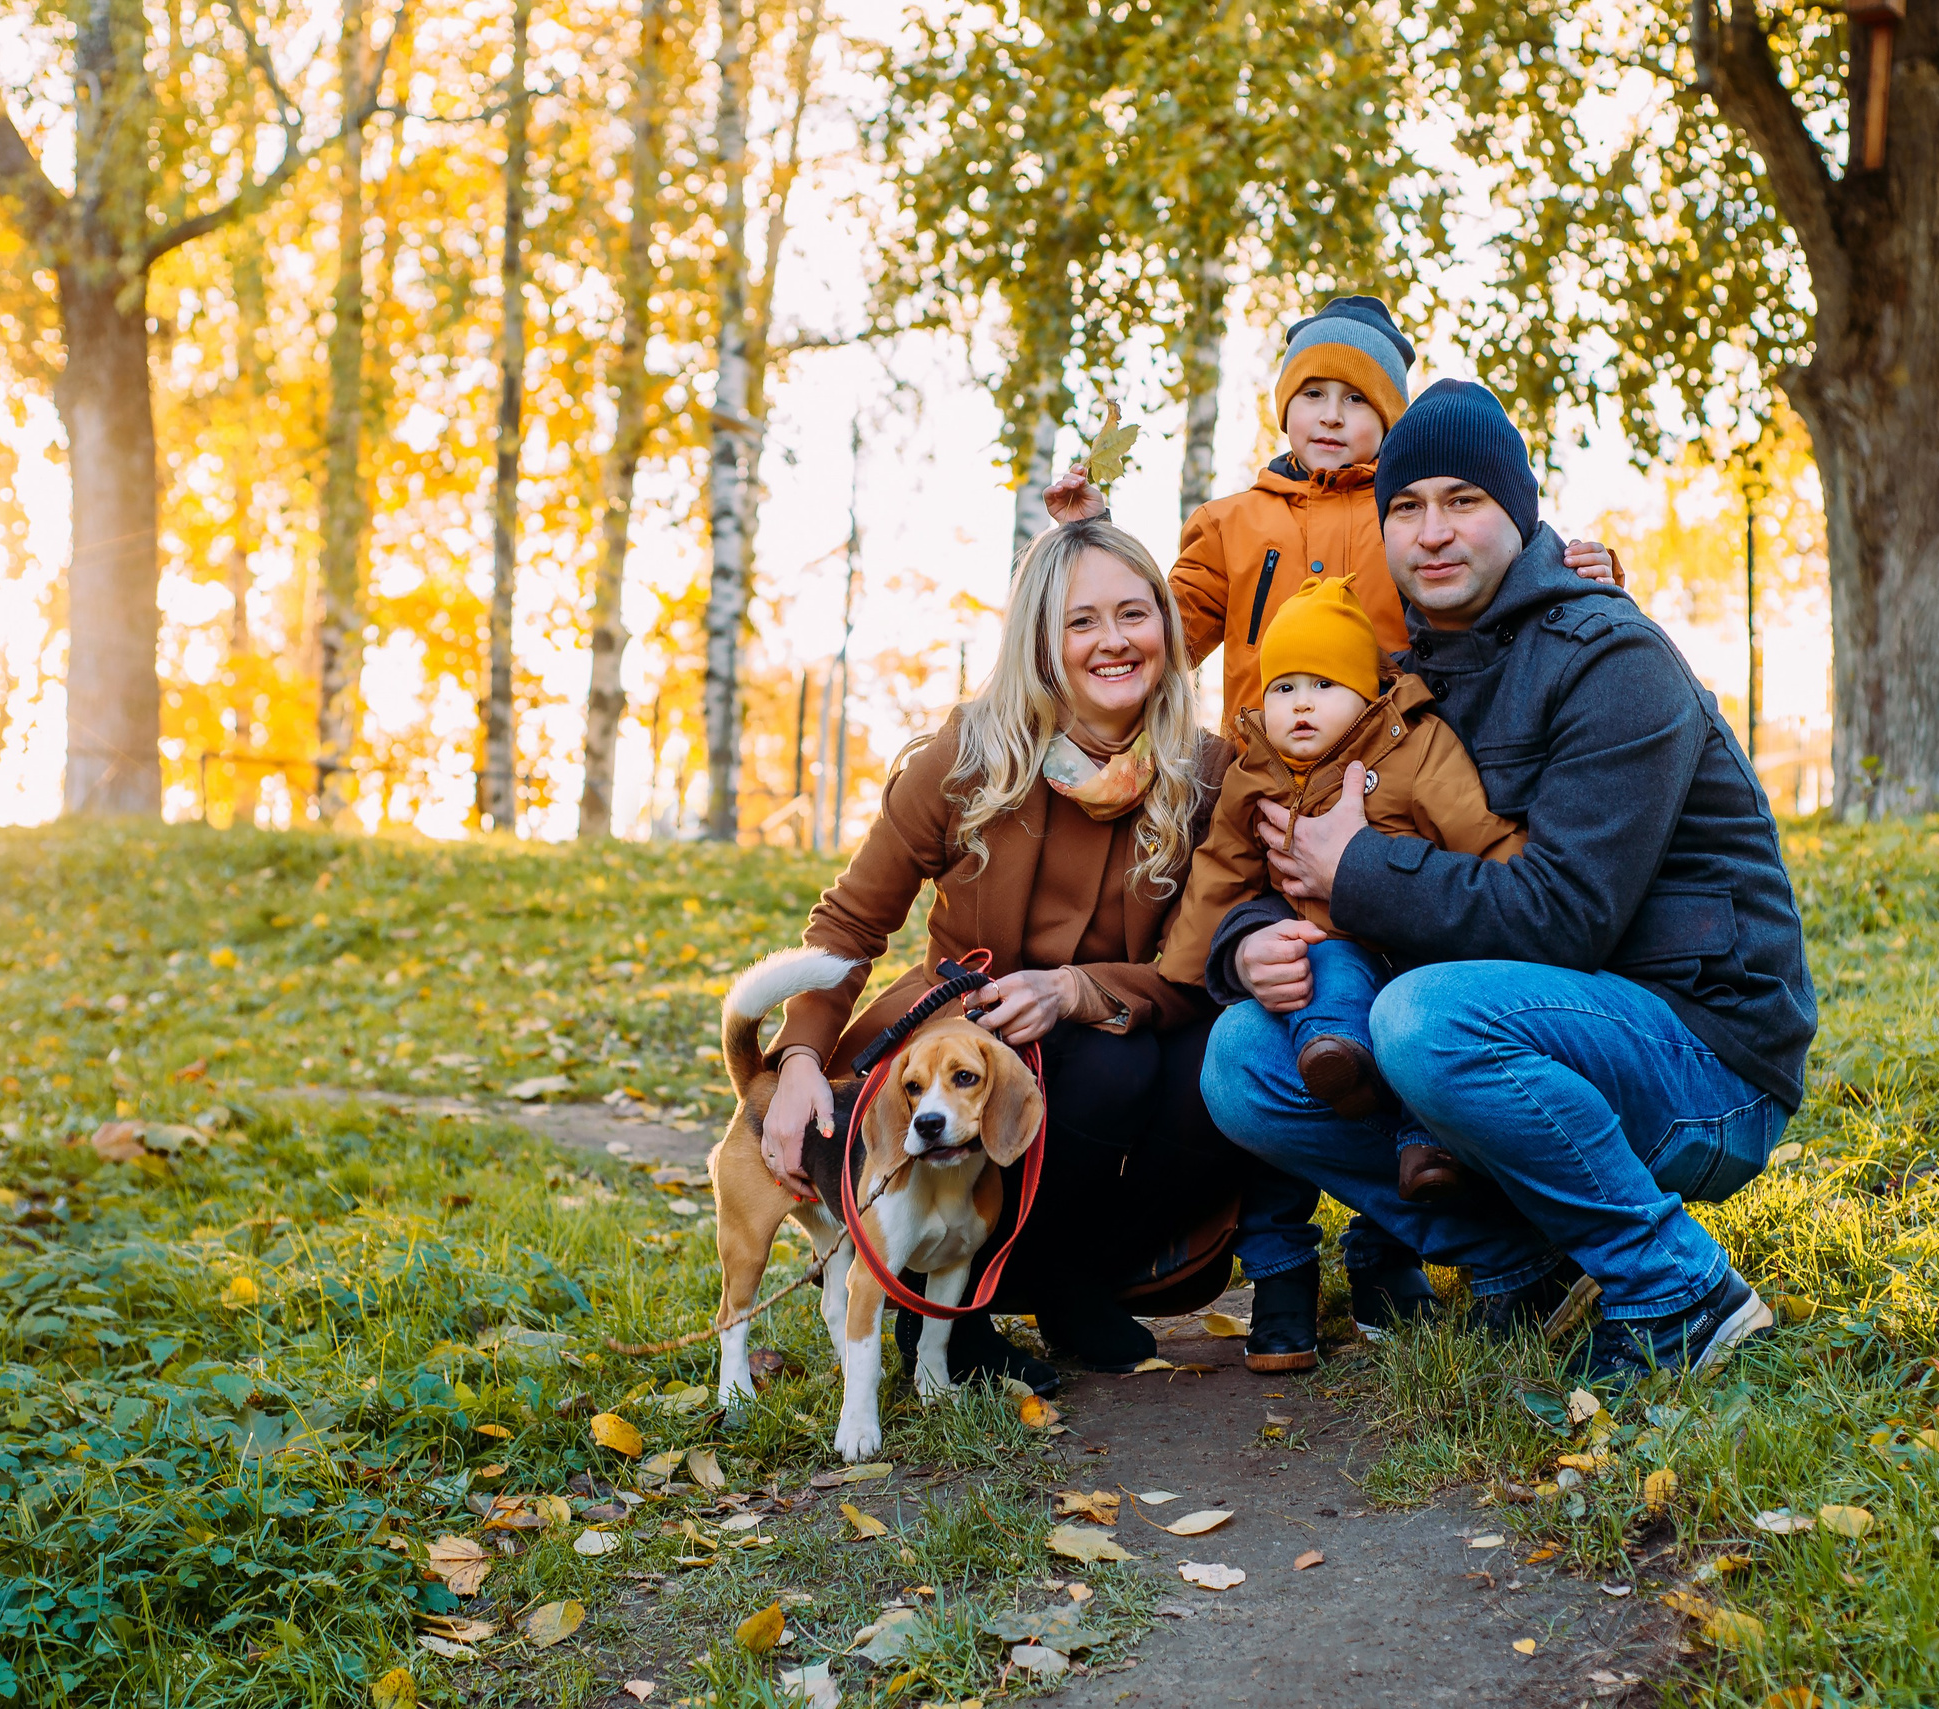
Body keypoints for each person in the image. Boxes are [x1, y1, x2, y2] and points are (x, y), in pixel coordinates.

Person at [1198, 380, 1819, 1388]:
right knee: (1240, 1058)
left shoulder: (1610, 655)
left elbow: (1563, 918)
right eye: (1406, 507)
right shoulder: (1403, 681)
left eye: (1463, 501)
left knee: (1420, 1016)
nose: (1432, 532)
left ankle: (1679, 1293)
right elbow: (1300, 841)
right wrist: (1252, 939)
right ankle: (1520, 1264)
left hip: (1702, 1061)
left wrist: (1354, 866)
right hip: (1541, 1033)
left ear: (1519, 512)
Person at [756, 517, 1249, 1390]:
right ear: (1042, 642)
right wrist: (798, 1053)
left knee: (1182, 1066)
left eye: (1135, 614)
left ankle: (1068, 1277)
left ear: (1167, 630)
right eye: (1081, 621)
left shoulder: (1205, 771)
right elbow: (851, 921)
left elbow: (1196, 966)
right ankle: (946, 1313)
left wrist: (1078, 989)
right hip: (965, 1030)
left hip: (1120, 1021)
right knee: (1099, 1071)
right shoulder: (967, 755)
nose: (1113, 641)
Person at [1042, 293, 1627, 730]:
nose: (1330, 416)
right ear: (1285, 406)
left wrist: (1585, 579)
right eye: (1312, 394)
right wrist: (1095, 537)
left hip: (1399, 765)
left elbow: (1501, 599)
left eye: (1356, 400)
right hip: (1261, 768)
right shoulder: (1230, 524)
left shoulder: (1412, 522)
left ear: (1390, 419)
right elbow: (1166, 634)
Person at [1158, 572, 1529, 1216]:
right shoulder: (1255, 772)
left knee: (1414, 1010)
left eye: (1324, 686)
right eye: (1284, 688)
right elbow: (1222, 867)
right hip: (1332, 944)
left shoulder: (1414, 746)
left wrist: (1519, 881)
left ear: (1368, 694)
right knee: (1322, 966)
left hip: (1419, 937)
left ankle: (1418, 1140)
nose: (1301, 705)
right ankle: (1336, 1059)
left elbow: (1475, 828)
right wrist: (1182, 974)